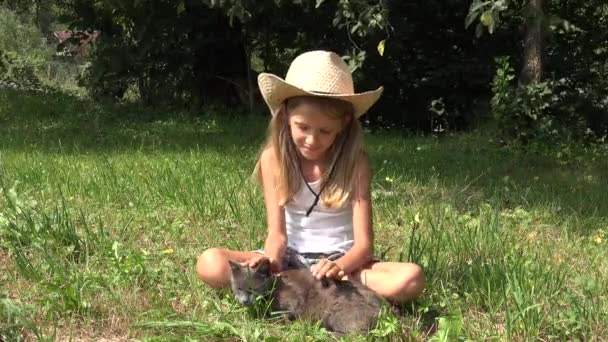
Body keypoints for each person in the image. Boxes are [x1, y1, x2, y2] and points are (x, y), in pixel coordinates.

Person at [196, 50, 425, 303]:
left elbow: (363, 247)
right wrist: (268, 261)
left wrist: (340, 266)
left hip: (343, 263)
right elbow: (277, 234)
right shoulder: (273, 159)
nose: (312, 140)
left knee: (410, 278)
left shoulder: (355, 163)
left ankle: (301, 288)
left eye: (325, 131)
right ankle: (303, 286)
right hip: (288, 257)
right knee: (210, 262)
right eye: (303, 127)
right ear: (285, 117)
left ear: (344, 124)